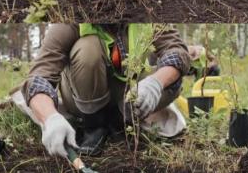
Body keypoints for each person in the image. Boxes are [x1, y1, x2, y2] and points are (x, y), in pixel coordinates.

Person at [18, 24, 191, 158]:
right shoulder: (69, 19)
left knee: (171, 75)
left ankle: (121, 121)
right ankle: (94, 126)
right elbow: (39, 78)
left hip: (132, 94)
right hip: (82, 94)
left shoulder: (147, 9)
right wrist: (50, 118)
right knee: (88, 48)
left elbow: (177, 52)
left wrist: (155, 82)